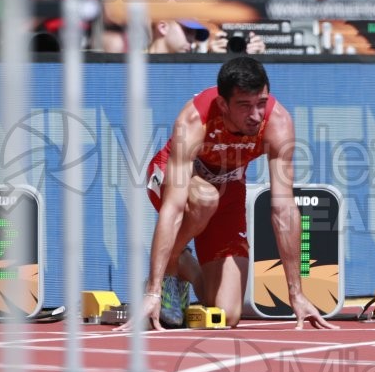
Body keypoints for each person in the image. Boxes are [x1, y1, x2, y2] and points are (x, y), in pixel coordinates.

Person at [117, 57, 337, 331]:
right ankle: (167, 272)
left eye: (261, 103)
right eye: (244, 105)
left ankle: (184, 264)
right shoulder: (195, 120)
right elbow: (172, 207)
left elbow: (284, 209)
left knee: (227, 314)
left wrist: (297, 294)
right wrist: (153, 291)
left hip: (229, 188)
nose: (256, 115)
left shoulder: (277, 124)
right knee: (206, 198)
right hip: (177, 180)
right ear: (223, 105)